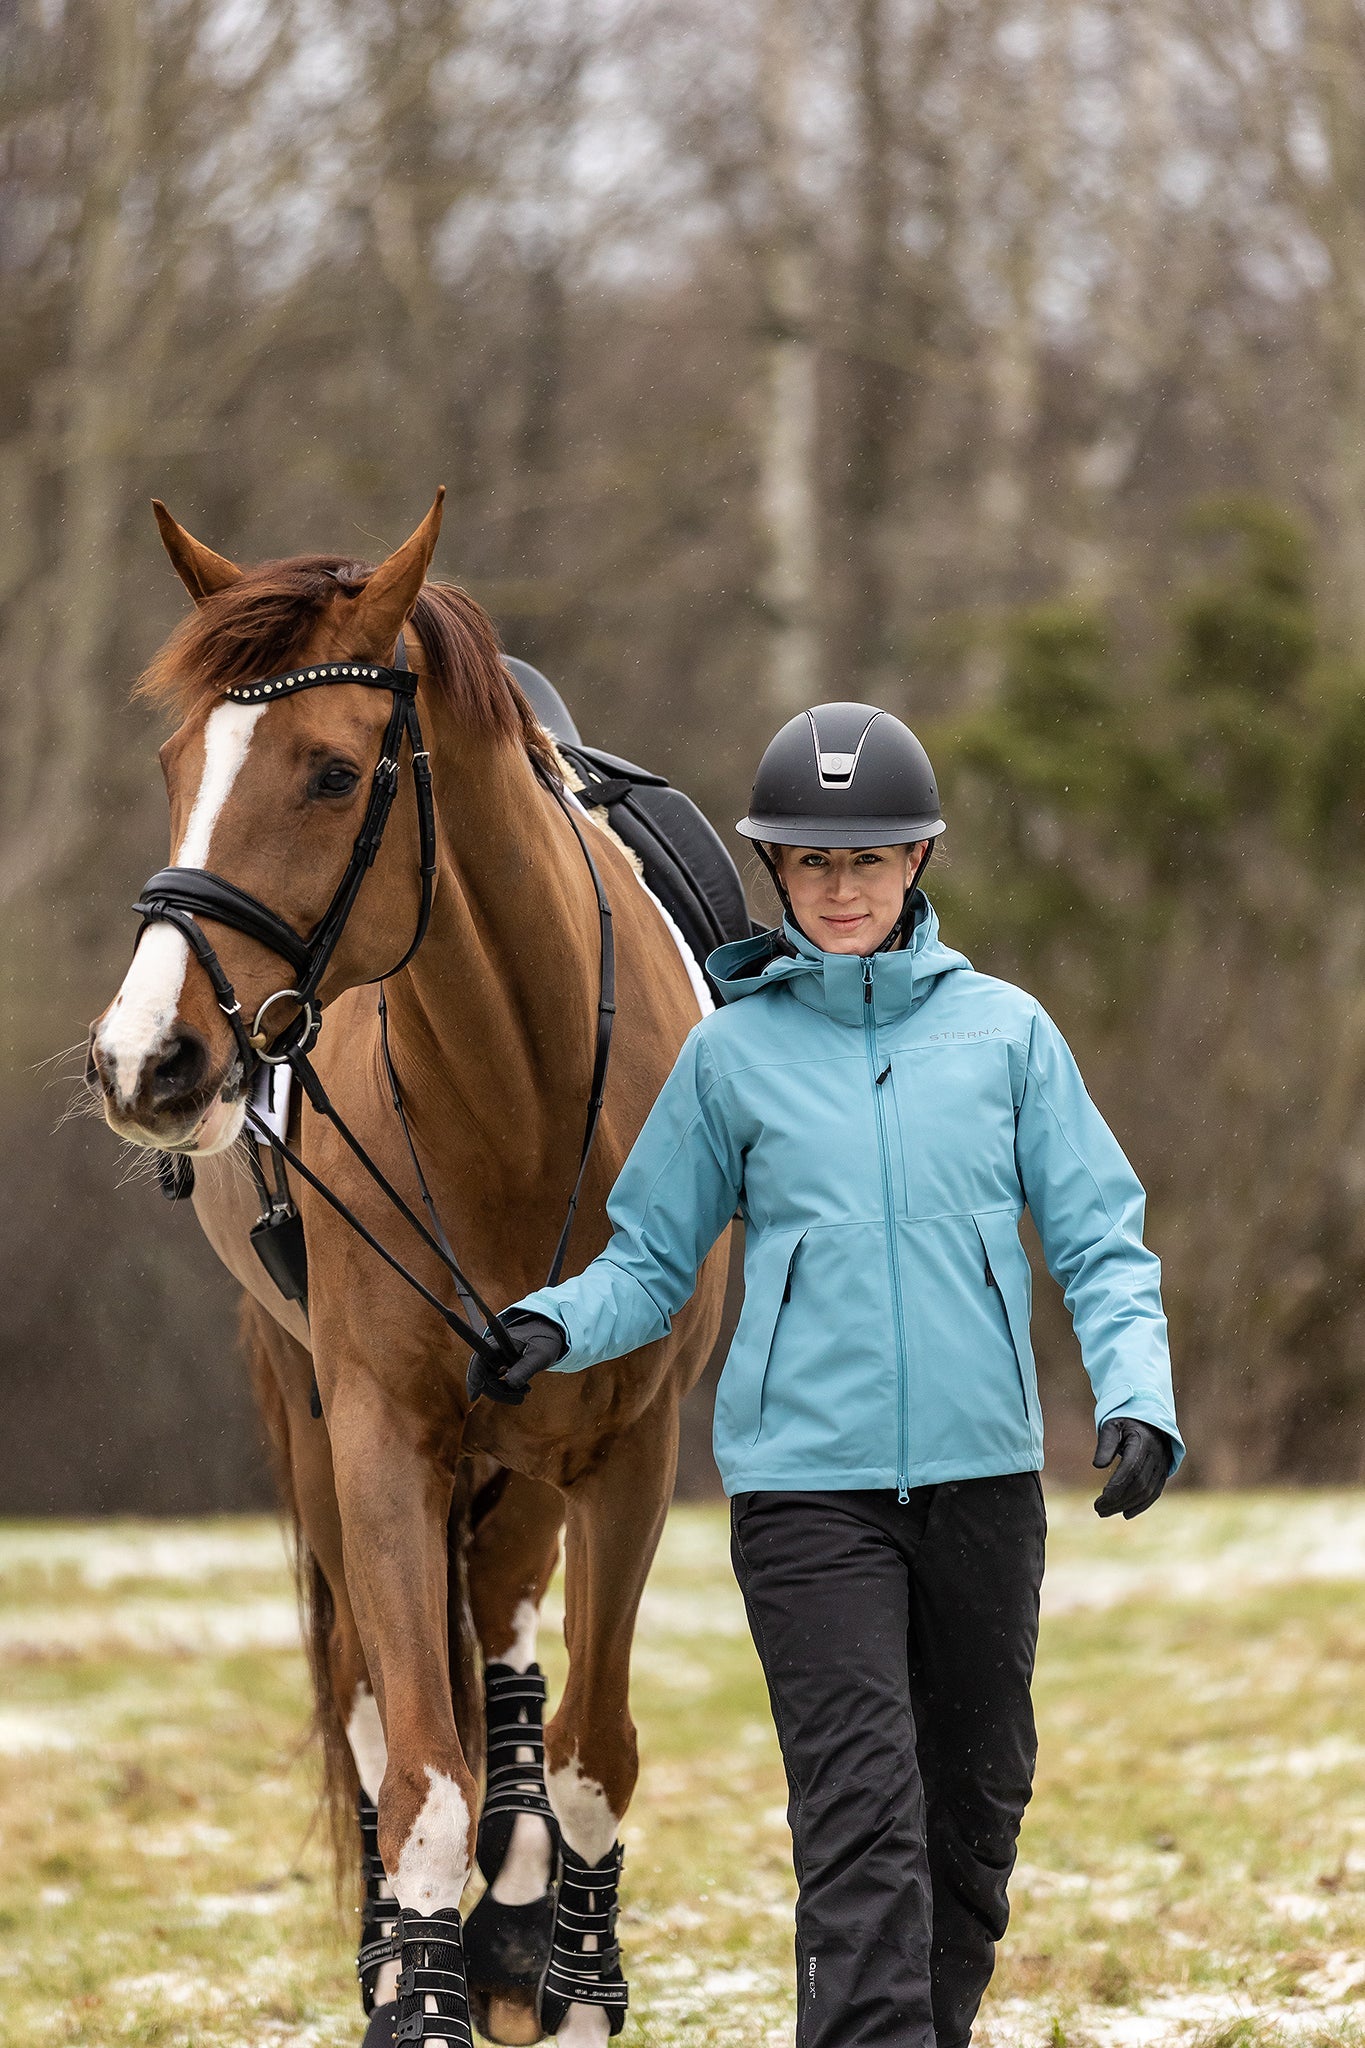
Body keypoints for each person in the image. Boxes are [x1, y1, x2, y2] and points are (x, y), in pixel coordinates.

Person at [470, 702, 1183, 2048]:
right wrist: (553, 1323)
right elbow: (650, 1262)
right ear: (774, 872)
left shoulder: (1008, 1037)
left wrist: (1136, 1394)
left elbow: (1100, 1238)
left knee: (971, 1822)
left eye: (864, 859)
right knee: (860, 1824)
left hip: (981, 1487)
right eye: (807, 861)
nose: (837, 886)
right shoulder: (728, 1058)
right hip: (809, 1503)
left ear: (918, 858)